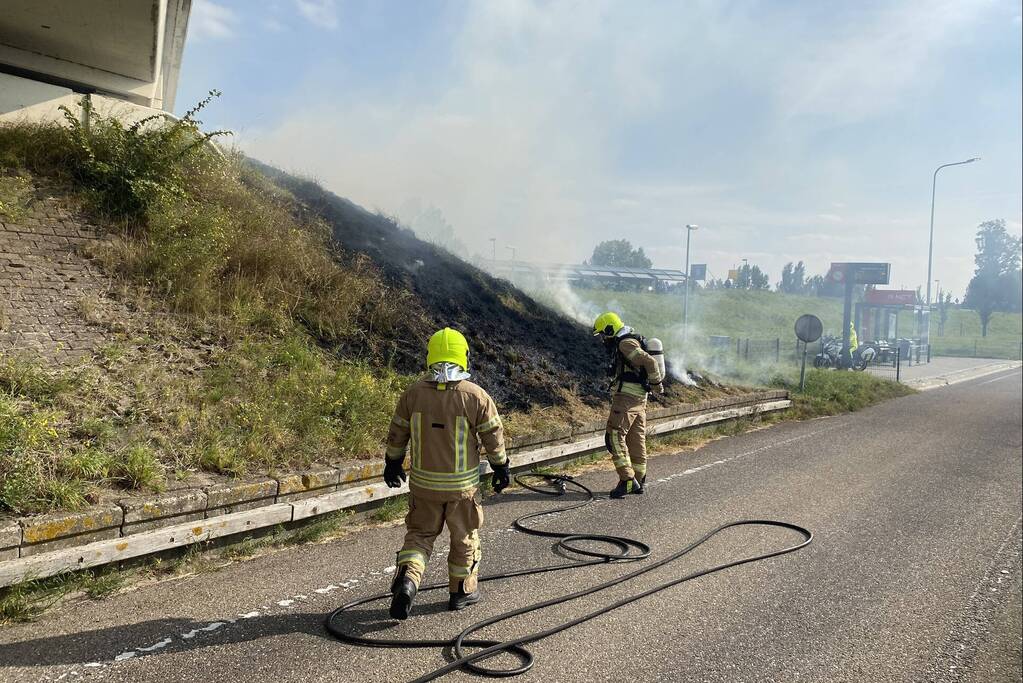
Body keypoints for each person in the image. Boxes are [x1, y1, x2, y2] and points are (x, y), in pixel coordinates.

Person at [382, 327, 510, 620]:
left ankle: (408, 581)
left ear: (430, 356)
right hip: (461, 490)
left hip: (423, 487)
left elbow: (397, 432)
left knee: (419, 536)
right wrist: (501, 466)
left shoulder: (412, 394)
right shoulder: (475, 396)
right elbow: (493, 436)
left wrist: (392, 462)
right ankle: (461, 593)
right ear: (464, 357)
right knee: (464, 538)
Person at [592, 312, 664, 499]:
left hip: (627, 398)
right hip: (638, 399)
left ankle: (627, 480)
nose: (603, 339)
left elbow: (649, 361)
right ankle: (639, 480)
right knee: (635, 438)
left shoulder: (625, 343)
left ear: (610, 329)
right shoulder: (628, 340)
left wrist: (657, 384)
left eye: (603, 334)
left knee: (614, 437)